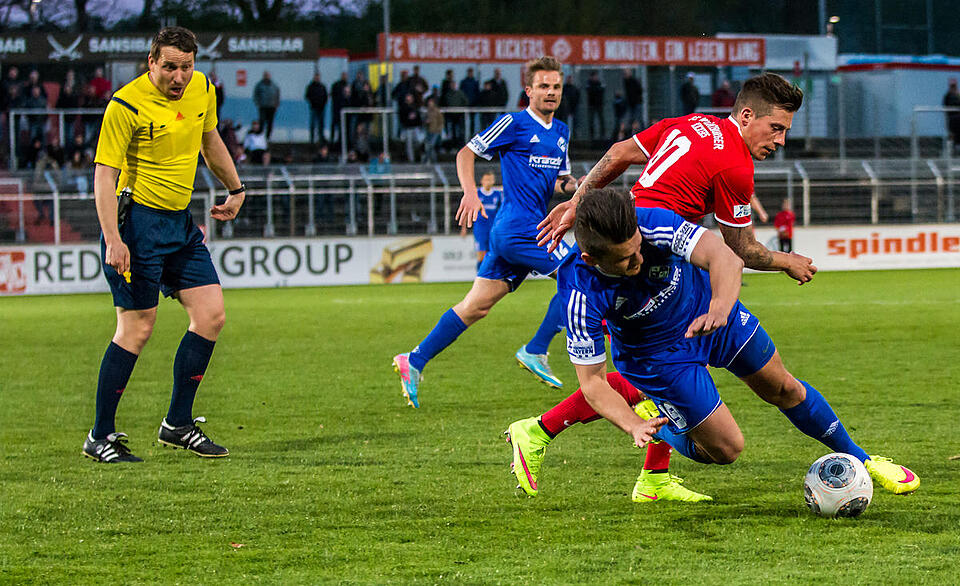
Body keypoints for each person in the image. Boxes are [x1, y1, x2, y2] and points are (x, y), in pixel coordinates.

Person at [506, 188, 919, 500]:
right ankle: (659, 419)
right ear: (592, 259)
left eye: (638, 248)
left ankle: (864, 459)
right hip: (658, 359)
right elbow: (593, 382)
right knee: (726, 450)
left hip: (711, 314)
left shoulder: (651, 224)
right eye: (626, 260)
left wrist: (720, 307)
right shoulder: (578, 294)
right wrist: (632, 425)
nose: (639, 260)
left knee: (785, 387)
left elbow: (723, 256)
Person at [536, 72, 818, 494]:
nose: (780, 140)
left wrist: (579, 201)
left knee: (658, 364)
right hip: (654, 250)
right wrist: (786, 261)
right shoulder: (735, 165)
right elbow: (741, 249)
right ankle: (543, 427)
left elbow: (618, 152)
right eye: (776, 128)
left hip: (636, 234)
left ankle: (652, 476)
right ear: (746, 115)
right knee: (654, 363)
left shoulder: (692, 122)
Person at [83, 26, 245, 463]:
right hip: (137, 225)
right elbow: (104, 175)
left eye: (186, 67)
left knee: (211, 316)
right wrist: (114, 239)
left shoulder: (202, 89)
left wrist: (235, 188)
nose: (179, 77)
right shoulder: (126, 104)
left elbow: (209, 139)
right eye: (170, 67)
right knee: (137, 328)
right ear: (151, 62)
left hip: (179, 223)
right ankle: (100, 435)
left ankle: (177, 423)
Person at [392, 56, 580, 408]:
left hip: (528, 228)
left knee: (475, 307)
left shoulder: (561, 131)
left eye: (556, 86)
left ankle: (414, 359)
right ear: (529, 91)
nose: (551, 92)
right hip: (518, 228)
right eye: (543, 86)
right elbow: (466, 153)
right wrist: (470, 192)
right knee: (580, 271)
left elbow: (558, 180)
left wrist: (576, 186)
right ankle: (536, 349)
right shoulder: (514, 122)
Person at [459, 170, 502, 269]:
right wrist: (464, 228)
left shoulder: (498, 194)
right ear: (482, 181)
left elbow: (501, 212)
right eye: (486, 180)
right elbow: (467, 210)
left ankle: (491, 276)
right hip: (480, 229)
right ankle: (480, 275)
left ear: (493, 181)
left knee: (493, 255)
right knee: (481, 256)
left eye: (490, 180)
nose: (488, 182)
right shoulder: (476, 194)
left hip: (493, 229)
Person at [253, 70, 280, 139]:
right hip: (263, 106)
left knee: (270, 122)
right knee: (262, 121)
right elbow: (256, 95)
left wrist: (276, 104)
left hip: (272, 107)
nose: (266, 77)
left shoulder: (274, 85)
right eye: (265, 75)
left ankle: (268, 137)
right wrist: (258, 103)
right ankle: (260, 136)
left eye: (268, 75)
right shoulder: (259, 85)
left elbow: (277, 95)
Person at [305, 73, 328, 145]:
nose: (317, 78)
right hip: (314, 108)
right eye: (316, 77)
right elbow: (307, 96)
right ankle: (312, 140)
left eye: (318, 77)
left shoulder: (322, 86)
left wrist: (323, 104)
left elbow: (325, 96)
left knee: (321, 125)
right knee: (313, 124)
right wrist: (313, 102)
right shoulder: (310, 87)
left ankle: (321, 139)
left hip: (321, 109)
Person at [423, 96, 444, 163]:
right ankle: (433, 160)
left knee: (431, 145)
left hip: (435, 131)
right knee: (429, 146)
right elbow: (424, 122)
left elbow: (441, 121)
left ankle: (426, 159)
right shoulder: (427, 112)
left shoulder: (437, 111)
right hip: (429, 131)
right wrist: (426, 122)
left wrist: (439, 129)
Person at [330, 72, 349, 144]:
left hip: (344, 110)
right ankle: (332, 140)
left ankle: (340, 140)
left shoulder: (348, 85)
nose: (345, 77)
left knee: (342, 126)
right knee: (335, 125)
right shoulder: (336, 85)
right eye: (344, 75)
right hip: (337, 109)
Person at [586, 71, 605, 139]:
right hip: (592, 104)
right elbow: (591, 91)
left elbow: (601, 91)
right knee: (591, 120)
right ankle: (592, 135)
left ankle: (602, 135)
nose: (595, 78)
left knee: (601, 120)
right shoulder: (589, 84)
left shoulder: (599, 83)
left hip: (599, 104)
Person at [944, 79, 960, 150]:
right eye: (952, 86)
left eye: (954, 86)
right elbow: (946, 107)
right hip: (952, 119)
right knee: (952, 135)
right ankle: (951, 149)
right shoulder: (947, 96)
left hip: (958, 119)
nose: (953, 87)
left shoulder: (958, 94)